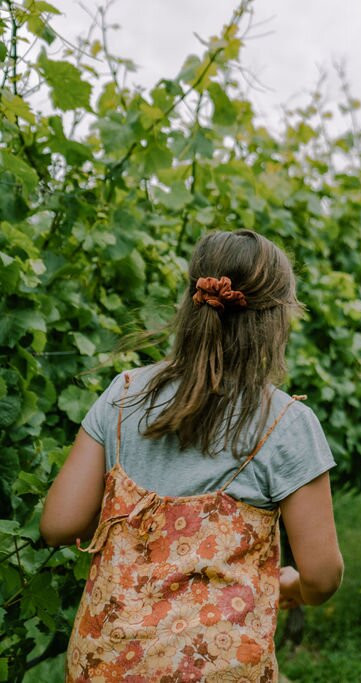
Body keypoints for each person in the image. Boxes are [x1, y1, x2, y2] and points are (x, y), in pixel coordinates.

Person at [40, 229, 343, 682]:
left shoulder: (123, 396)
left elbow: (59, 524)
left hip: (108, 662)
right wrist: (295, 587)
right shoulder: (286, 424)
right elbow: (322, 575)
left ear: (191, 299)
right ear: (275, 321)